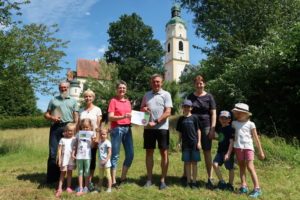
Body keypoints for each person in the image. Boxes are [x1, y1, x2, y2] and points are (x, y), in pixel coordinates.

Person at [141, 74, 173, 190]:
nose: (156, 83)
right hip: (148, 129)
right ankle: (149, 179)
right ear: (151, 82)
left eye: (158, 81)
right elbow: (142, 110)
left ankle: (163, 180)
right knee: (149, 153)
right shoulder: (146, 95)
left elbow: (168, 112)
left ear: (162, 82)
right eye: (154, 81)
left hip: (162, 128)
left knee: (164, 153)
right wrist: (143, 109)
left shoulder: (166, 94)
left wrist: (156, 121)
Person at [44, 81, 79, 184]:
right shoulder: (53, 100)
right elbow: (46, 114)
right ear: (59, 88)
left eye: (65, 87)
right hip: (55, 128)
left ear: (68, 88)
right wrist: (52, 117)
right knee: (53, 153)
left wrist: (75, 127)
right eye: (61, 87)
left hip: (68, 127)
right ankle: (51, 179)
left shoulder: (73, 101)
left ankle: (63, 178)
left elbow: (76, 116)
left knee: (67, 153)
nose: (63, 89)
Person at [186, 75, 216, 189]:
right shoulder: (190, 96)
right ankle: (188, 177)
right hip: (192, 126)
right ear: (194, 85)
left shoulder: (209, 97)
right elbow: (186, 109)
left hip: (206, 126)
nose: (199, 85)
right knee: (191, 150)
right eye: (197, 83)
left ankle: (210, 178)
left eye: (201, 83)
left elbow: (213, 113)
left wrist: (213, 128)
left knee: (207, 151)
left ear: (204, 84)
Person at [231, 103, 265, 198]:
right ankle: (244, 186)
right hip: (238, 147)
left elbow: (256, 138)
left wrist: (260, 151)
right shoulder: (234, 123)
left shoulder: (251, 124)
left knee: (250, 167)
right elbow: (231, 137)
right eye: (236, 113)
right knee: (241, 166)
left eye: (238, 113)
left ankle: (257, 188)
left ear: (245, 114)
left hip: (248, 148)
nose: (236, 114)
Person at [108, 80, 134, 188]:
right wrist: (123, 117)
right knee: (115, 155)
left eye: (124, 88)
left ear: (126, 89)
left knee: (130, 154)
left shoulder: (128, 102)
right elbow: (110, 117)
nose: (122, 89)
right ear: (117, 89)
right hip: (117, 129)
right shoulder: (113, 101)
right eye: (120, 88)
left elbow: (131, 116)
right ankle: (113, 181)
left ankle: (123, 177)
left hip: (128, 129)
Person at [79, 89, 102, 191]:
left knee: (91, 159)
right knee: (83, 159)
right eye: (86, 96)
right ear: (84, 98)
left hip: (92, 139)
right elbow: (78, 126)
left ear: (93, 98)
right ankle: (82, 182)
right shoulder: (81, 110)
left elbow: (99, 125)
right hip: (82, 140)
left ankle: (90, 181)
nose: (88, 98)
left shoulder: (97, 110)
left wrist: (97, 138)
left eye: (90, 96)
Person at [176, 100, 201, 189]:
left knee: (194, 163)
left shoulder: (195, 118)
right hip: (185, 144)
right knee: (187, 163)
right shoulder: (181, 119)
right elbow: (180, 132)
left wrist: (199, 142)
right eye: (185, 106)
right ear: (183, 107)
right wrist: (179, 142)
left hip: (194, 143)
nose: (186, 108)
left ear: (191, 108)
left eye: (188, 107)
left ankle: (194, 182)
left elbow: (198, 130)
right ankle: (188, 182)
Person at [72, 118, 96, 196]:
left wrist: (93, 140)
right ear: (81, 127)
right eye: (84, 127)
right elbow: (75, 144)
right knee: (80, 172)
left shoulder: (92, 134)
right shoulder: (78, 134)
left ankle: (86, 186)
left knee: (87, 172)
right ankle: (80, 187)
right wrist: (73, 153)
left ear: (90, 127)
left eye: (87, 127)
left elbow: (92, 146)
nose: (85, 129)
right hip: (79, 156)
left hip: (87, 156)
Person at [212, 111, 235, 191]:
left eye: (226, 118)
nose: (223, 120)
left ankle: (230, 185)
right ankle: (222, 182)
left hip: (227, 152)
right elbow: (222, 138)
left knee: (230, 168)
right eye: (222, 118)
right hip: (220, 151)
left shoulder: (230, 129)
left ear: (229, 119)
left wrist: (228, 154)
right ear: (219, 119)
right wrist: (214, 138)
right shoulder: (220, 128)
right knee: (215, 164)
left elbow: (231, 142)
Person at [55, 123, 77, 197]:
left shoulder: (75, 139)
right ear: (65, 131)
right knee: (62, 173)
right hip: (64, 159)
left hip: (71, 159)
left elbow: (76, 148)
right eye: (68, 131)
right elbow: (59, 149)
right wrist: (59, 159)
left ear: (74, 131)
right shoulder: (62, 139)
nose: (70, 132)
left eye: (72, 131)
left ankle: (68, 187)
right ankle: (60, 188)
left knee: (70, 173)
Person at [97, 128, 112, 193]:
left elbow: (109, 153)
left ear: (107, 135)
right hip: (100, 162)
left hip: (106, 162)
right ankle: (99, 188)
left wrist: (105, 160)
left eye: (104, 134)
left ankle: (109, 188)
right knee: (100, 176)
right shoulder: (99, 142)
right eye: (101, 134)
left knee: (108, 175)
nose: (102, 135)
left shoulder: (108, 142)